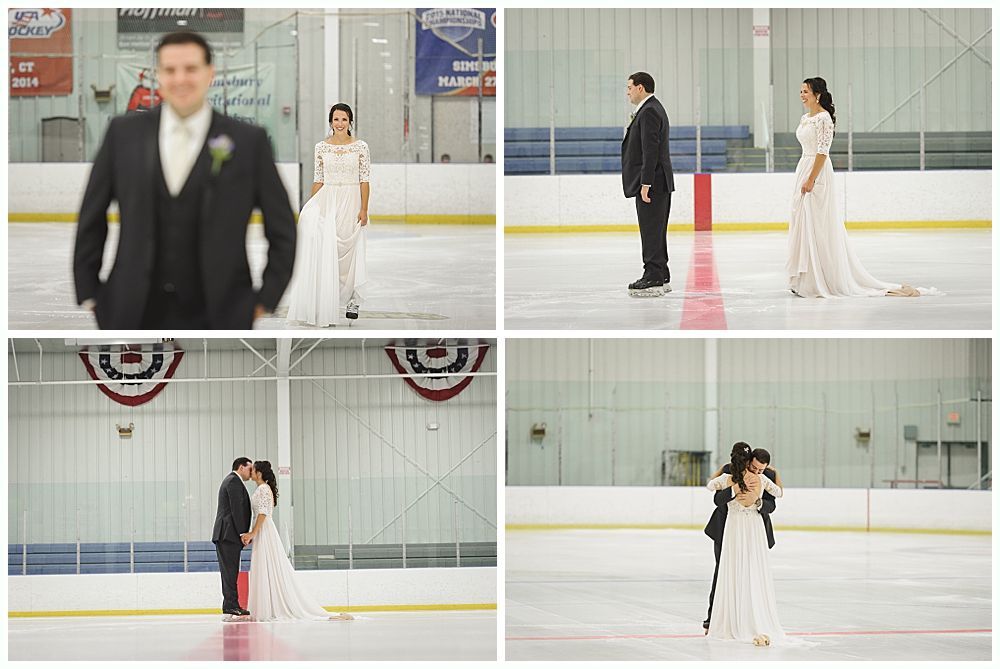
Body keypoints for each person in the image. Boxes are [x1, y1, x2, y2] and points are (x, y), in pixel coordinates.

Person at [73, 31, 297, 329]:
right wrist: (90, 293)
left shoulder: (248, 141)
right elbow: (92, 214)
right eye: (170, 70)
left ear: (210, 74)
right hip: (131, 309)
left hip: (221, 312)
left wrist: (264, 300)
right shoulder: (123, 134)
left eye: (191, 69)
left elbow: (282, 227)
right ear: (158, 75)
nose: (180, 79)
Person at [787, 77, 926, 298]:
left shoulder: (823, 119)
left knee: (818, 226)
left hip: (817, 171)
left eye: (806, 91)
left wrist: (811, 178)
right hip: (804, 167)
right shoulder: (806, 118)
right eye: (801, 91)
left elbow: (823, 152)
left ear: (818, 95)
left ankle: (820, 280)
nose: (802, 95)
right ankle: (805, 278)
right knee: (803, 223)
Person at [287, 103, 371, 325]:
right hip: (328, 201)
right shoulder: (321, 148)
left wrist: (364, 208)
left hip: (352, 201)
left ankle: (353, 299)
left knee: (351, 253)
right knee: (328, 252)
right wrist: (311, 207)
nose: (340, 124)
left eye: (344, 119)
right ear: (331, 122)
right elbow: (318, 179)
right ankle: (327, 300)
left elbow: (364, 180)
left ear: (350, 122)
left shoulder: (361, 147)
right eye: (336, 119)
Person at [243, 460, 354, 621]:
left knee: (267, 565)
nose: (251, 472)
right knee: (265, 566)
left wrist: (253, 532)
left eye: (253, 470)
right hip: (264, 530)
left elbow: (263, 513)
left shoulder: (263, 489)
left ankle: (271, 607)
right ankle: (268, 606)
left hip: (264, 530)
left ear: (259, 473)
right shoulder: (263, 489)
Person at [705, 443, 787, 644]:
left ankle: (753, 617)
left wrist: (757, 503)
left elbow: (772, 503)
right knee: (724, 572)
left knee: (754, 572)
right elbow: (716, 495)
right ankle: (713, 620)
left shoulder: (766, 474)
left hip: (754, 528)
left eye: (761, 469)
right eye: (754, 467)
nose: (757, 471)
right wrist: (734, 488)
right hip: (726, 527)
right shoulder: (729, 471)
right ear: (748, 461)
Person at [621, 71, 675, 298]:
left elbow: (650, 150)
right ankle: (660, 272)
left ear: (640, 88)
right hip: (656, 181)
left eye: (630, 87)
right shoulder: (651, 109)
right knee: (656, 228)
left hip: (652, 183)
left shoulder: (649, 111)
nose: (628, 92)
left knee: (651, 229)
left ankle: (653, 274)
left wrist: (645, 183)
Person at [212, 458, 253, 619]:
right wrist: (243, 532)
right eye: (249, 469)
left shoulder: (232, 480)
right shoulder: (233, 481)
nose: (251, 473)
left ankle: (231, 605)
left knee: (230, 571)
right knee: (229, 571)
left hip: (228, 534)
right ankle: (231, 606)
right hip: (228, 534)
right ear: (241, 467)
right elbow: (237, 509)